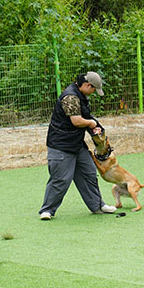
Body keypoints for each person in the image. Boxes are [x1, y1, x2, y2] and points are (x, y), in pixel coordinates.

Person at [39, 71, 117, 220]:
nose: (94, 93)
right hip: (60, 145)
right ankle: (47, 210)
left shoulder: (82, 96)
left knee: (89, 173)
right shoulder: (70, 97)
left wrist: (97, 128)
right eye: (94, 89)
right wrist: (91, 123)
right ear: (88, 85)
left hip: (76, 144)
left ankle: (97, 206)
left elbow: (86, 116)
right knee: (61, 179)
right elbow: (77, 121)